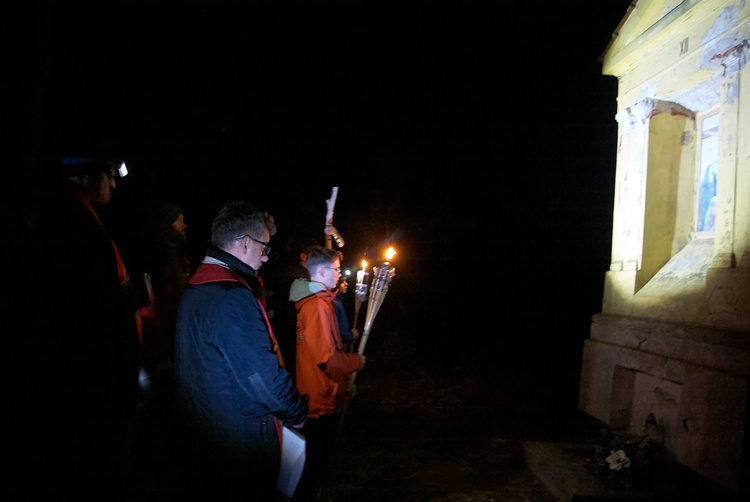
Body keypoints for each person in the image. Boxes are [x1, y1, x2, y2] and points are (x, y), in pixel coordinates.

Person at [4, 157, 144, 499]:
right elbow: (86, 307)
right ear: (85, 173)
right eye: (109, 176)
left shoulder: (72, 216)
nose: (113, 185)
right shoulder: (70, 223)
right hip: (81, 390)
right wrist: (131, 294)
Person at [173, 200, 308, 501]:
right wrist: (296, 412)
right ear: (244, 242)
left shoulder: (197, 288)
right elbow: (262, 376)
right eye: (264, 248)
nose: (266, 257)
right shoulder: (230, 296)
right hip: (242, 439)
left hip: (211, 429)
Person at [289, 245, 366, 501]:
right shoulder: (317, 308)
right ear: (321, 271)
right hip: (320, 400)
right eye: (335, 269)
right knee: (312, 468)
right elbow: (327, 360)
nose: (339, 274)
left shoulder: (320, 303)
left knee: (314, 467)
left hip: (321, 394)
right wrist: (357, 361)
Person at [128, 199, 191, 493]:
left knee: (172, 414)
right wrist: (161, 354)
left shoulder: (178, 257)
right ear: (167, 227)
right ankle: (154, 478)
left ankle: (171, 469)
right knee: (157, 417)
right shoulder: (153, 260)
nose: (185, 225)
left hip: (176, 351)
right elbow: (151, 311)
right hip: (159, 357)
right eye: (180, 220)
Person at [332, 275, 359, 352]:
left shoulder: (338, 300)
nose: (346, 284)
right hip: (338, 344)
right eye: (342, 282)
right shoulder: (334, 303)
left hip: (343, 341)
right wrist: (350, 335)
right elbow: (336, 327)